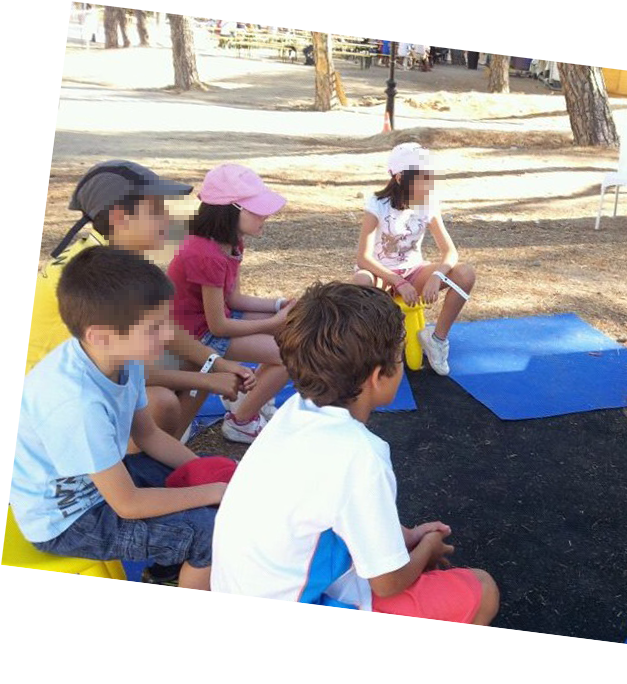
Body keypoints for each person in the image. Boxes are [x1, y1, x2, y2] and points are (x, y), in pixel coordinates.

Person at [211, 282, 499, 625]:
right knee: (482, 589)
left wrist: (404, 536)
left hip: (241, 597)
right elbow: (389, 582)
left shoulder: (294, 413)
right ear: (378, 376)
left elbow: (327, 509)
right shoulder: (360, 455)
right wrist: (427, 550)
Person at [9, 246, 225, 591]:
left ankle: (166, 570)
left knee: (190, 479)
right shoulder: (75, 403)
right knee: (211, 532)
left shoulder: (122, 355)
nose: (167, 335)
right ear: (100, 336)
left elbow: (150, 436)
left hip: (104, 482)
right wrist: (214, 491)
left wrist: (207, 475)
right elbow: (127, 504)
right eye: (154, 328)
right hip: (66, 520)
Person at [24, 161, 256, 449]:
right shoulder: (99, 279)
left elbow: (164, 329)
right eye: (156, 211)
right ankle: (127, 469)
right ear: (121, 217)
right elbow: (124, 371)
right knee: (160, 402)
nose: (168, 219)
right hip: (47, 405)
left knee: (188, 361)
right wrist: (210, 379)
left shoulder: (112, 256)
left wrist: (215, 362)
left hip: (72, 385)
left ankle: (164, 452)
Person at [167, 164, 294, 444]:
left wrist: (279, 305)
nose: (266, 216)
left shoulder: (231, 242)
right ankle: (241, 421)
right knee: (289, 354)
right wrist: (275, 322)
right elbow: (218, 326)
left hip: (208, 322)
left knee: (292, 335)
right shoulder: (206, 253)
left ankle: (248, 397)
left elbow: (232, 299)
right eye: (258, 210)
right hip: (194, 335)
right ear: (232, 210)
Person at [352, 142, 476, 376]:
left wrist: (437, 276)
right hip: (380, 275)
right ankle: (364, 346)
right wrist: (396, 281)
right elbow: (363, 257)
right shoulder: (377, 204)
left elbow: (450, 252)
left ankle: (436, 339)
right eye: (422, 178)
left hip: (413, 271)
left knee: (465, 273)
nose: (429, 184)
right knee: (360, 280)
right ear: (400, 178)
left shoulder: (428, 203)